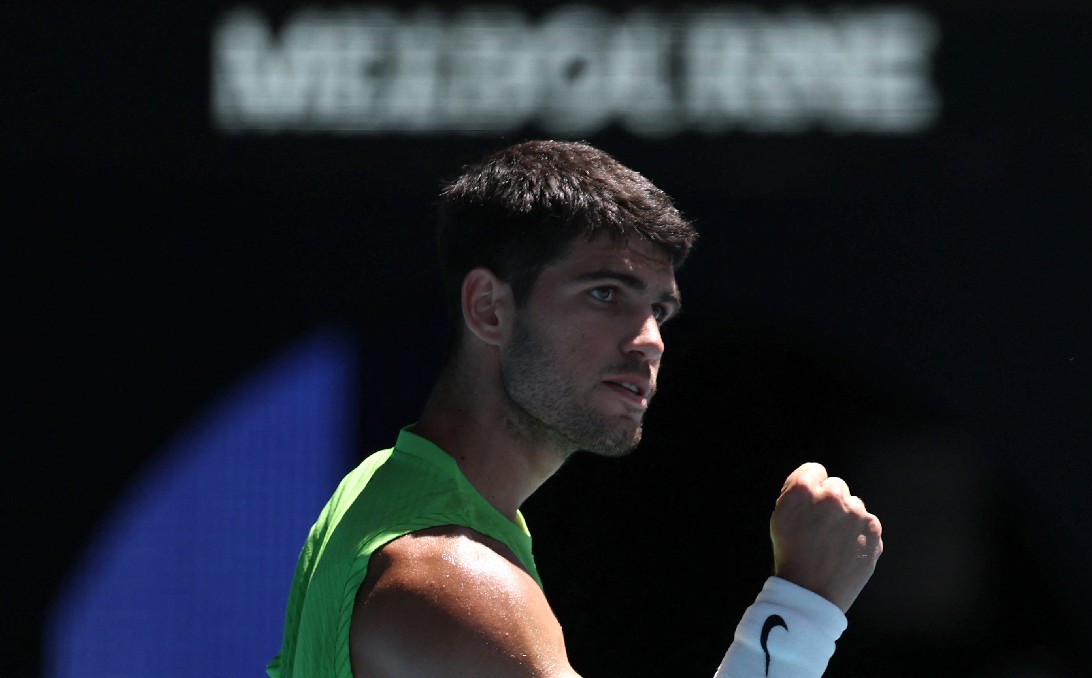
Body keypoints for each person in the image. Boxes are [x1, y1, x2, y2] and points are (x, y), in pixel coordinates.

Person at [266, 140, 883, 677]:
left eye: (659, 310)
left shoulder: (380, 484)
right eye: (605, 293)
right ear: (489, 308)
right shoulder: (456, 579)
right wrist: (803, 607)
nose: (650, 340)